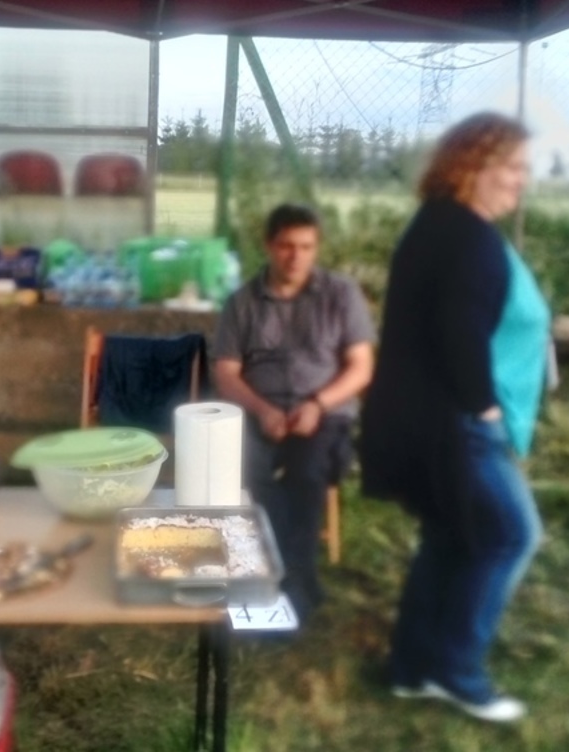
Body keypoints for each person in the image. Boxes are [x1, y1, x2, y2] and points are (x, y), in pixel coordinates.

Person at [360, 112, 550, 722]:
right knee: (510, 536)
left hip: (420, 419)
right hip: (456, 424)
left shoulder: (435, 223)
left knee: (449, 536)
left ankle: (412, 668)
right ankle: (456, 671)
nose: (521, 180)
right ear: (473, 166)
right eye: (512, 167)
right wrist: (485, 407)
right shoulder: (468, 237)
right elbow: (459, 335)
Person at [214, 203, 375, 624]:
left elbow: (361, 367)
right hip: (257, 409)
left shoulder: (341, 294)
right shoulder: (242, 302)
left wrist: (317, 405)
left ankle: (295, 589)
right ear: (268, 245)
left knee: (305, 473)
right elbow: (226, 373)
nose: (296, 257)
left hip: (324, 412)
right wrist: (262, 409)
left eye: (306, 247)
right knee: (241, 472)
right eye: (287, 246)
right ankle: (256, 580)